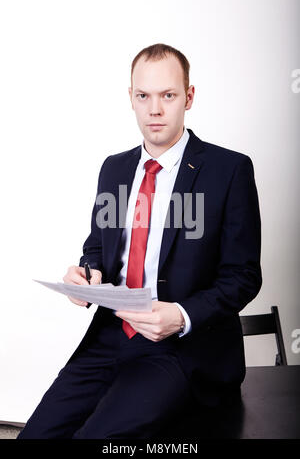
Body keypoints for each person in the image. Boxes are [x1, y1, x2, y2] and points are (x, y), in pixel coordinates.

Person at [18, 43, 262, 439]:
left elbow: (243, 276)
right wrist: (87, 274)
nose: (155, 109)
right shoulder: (114, 169)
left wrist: (180, 316)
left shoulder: (229, 170)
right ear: (130, 98)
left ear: (189, 96)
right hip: (111, 334)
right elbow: (97, 247)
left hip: (181, 348)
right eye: (143, 96)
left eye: (168, 95)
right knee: (37, 435)